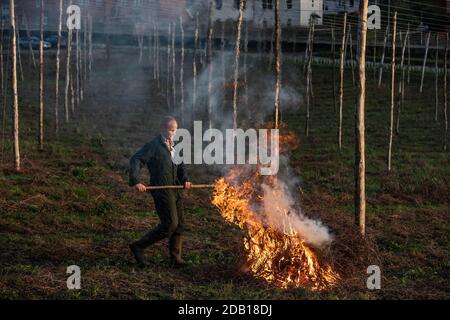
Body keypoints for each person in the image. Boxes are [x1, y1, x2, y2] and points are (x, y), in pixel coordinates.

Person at [128, 116, 192, 267]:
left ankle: (175, 258)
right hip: (162, 190)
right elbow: (136, 159)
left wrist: (185, 180)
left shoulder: (174, 145)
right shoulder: (153, 146)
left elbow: (180, 165)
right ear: (162, 129)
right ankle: (138, 246)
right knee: (170, 224)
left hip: (175, 189)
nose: (173, 134)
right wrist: (136, 181)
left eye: (175, 130)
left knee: (180, 224)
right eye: (171, 130)